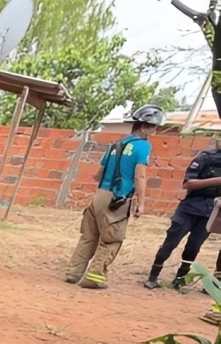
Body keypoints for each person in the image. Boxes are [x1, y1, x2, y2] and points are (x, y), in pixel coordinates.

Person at [64, 104, 166, 289]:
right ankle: (94, 277)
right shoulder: (143, 146)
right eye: (153, 127)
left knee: (89, 236)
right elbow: (140, 175)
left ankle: (73, 273)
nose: (155, 131)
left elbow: (99, 173)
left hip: (100, 195)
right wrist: (140, 204)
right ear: (143, 126)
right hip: (117, 198)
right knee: (112, 239)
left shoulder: (116, 145)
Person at [143, 145, 221, 289]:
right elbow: (188, 184)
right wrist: (216, 181)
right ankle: (153, 276)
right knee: (171, 242)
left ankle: (180, 279)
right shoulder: (205, 158)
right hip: (189, 208)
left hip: (210, 212)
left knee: (193, 247)